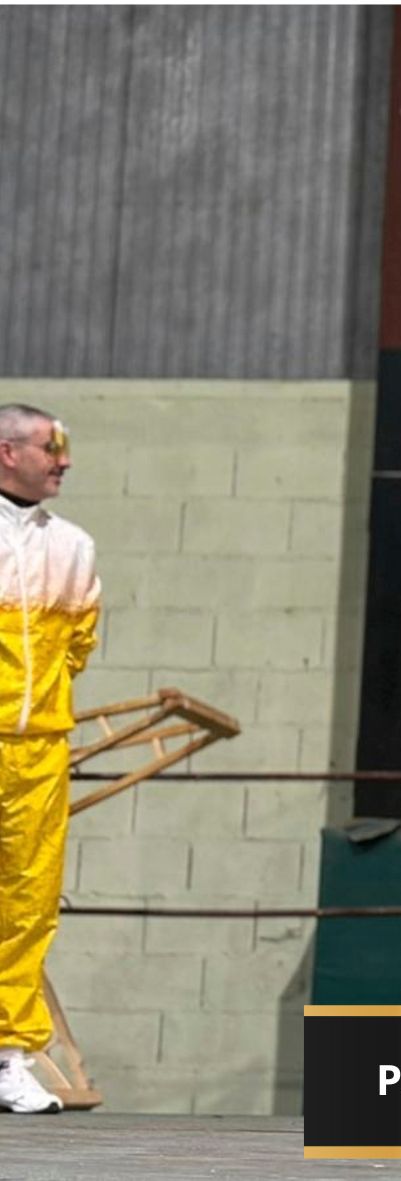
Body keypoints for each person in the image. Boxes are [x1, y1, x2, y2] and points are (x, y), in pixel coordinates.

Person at [0, 406, 99, 1115]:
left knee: (28, 900)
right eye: (50, 447)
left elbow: (78, 645)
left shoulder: (73, 547)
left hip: (38, 747)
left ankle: (8, 1055)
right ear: (8, 452)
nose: (62, 460)